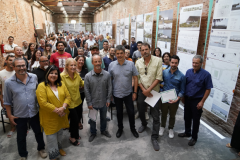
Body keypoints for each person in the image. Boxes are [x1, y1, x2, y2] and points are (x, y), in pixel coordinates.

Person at [3, 58, 47, 160]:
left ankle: (41, 148)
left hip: (34, 112)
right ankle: (23, 154)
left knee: (38, 132)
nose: (22, 68)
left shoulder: (34, 77)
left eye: (23, 65)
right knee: (21, 136)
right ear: (13, 67)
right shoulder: (9, 83)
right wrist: (10, 116)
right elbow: (7, 102)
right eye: (18, 66)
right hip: (19, 114)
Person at [36, 65, 71, 160]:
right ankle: (54, 155)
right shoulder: (42, 86)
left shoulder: (61, 84)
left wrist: (63, 107)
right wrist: (57, 110)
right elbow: (42, 103)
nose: (53, 75)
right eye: (51, 73)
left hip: (61, 115)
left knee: (60, 134)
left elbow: (68, 97)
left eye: (56, 73)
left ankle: (59, 148)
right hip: (49, 117)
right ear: (47, 73)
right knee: (51, 138)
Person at [178, 55, 213, 146]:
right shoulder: (188, 72)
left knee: (196, 120)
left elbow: (208, 89)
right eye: (193, 62)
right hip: (188, 99)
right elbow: (185, 85)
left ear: (201, 63)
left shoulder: (206, 74)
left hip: (197, 100)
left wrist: (202, 102)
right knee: (187, 117)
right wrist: (183, 96)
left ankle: (194, 137)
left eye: (196, 63)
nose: (194, 64)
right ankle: (187, 132)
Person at [135, 43, 163, 151]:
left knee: (155, 115)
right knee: (141, 111)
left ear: (150, 49)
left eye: (146, 49)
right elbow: (137, 77)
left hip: (153, 92)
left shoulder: (158, 60)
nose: (144, 52)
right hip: (142, 91)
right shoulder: (138, 62)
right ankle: (144, 124)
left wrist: (148, 90)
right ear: (140, 51)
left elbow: (159, 77)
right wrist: (143, 90)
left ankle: (154, 137)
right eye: (142, 50)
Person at [108, 45, 139, 139]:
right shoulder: (111, 65)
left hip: (128, 93)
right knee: (119, 113)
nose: (120, 55)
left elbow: (135, 78)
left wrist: (135, 92)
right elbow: (110, 80)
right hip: (117, 94)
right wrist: (110, 94)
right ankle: (120, 129)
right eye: (118, 53)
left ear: (124, 54)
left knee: (131, 112)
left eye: (121, 53)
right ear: (115, 54)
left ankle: (133, 129)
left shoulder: (131, 64)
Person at [84, 54, 112, 142]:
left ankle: (103, 130)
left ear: (101, 62)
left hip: (104, 102)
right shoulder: (88, 76)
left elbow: (110, 87)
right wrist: (89, 103)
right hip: (93, 102)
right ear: (92, 63)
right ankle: (93, 132)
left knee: (104, 118)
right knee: (92, 119)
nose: (97, 63)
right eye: (95, 61)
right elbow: (86, 91)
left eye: (99, 61)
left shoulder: (107, 74)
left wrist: (108, 99)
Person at [159, 55, 185, 138]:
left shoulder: (181, 76)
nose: (173, 64)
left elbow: (182, 90)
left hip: (175, 100)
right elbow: (160, 82)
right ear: (169, 62)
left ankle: (171, 129)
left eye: (175, 63)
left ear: (178, 63)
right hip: (164, 97)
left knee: (172, 115)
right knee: (163, 114)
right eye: (172, 62)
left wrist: (177, 99)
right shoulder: (164, 72)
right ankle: (162, 127)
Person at [61, 58, 84, 146]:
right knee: (74, 120)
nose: (73, 67)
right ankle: (72, 137)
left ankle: (76, 134)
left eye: (75, 65)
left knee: (77, 119)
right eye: (71, 65)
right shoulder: (62, 76)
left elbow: (82, 83)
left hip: (78, 101)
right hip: (69, 104)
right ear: (66, 66)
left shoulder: (77, 75)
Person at [0, 55, 16, 138]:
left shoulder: (17, 72)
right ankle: (12, 127)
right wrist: (2, 100)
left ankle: (21, 127)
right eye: (10, 60)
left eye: (13, 60)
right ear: (6, 61)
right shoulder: (1, 73)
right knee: (9, 114)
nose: (12, 62)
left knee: (19, 112)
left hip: (17, 97)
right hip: (7, 97)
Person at [76, 55, 88, 130]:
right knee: (73, 108)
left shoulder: (85, 70)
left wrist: (83, 86)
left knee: (80, 107)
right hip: (73, 92)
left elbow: (87, 81)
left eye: (82, 60)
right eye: (79, 60)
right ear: (76, 61)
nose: (81, 61)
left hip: (82, 92)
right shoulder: (73, 69)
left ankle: (79, 121)